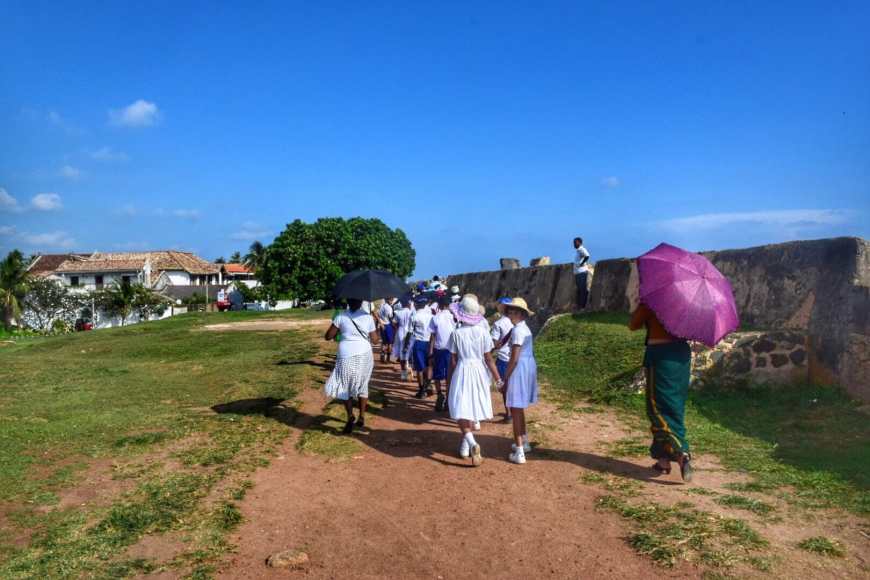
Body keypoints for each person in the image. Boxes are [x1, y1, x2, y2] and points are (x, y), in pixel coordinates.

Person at [629, 301, 694, 482]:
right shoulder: (687, 303)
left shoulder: (654, 300)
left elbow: (633, 324)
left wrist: (641, 304)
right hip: (681, 354)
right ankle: (663, 460)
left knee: (657, 407)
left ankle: (681, 452)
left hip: (661, 354)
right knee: (674, 405)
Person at [447, 295, 502, 466]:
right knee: (470, 407)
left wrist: (449, 381)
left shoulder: (456, 333)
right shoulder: (483, 332)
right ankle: (465, 447)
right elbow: (489, 359)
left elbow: (453, 361)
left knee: (460, 407)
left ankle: (471, 443)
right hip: (479, 371)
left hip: (463, 369)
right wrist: (498, 378)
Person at [324, 298, 380, 434]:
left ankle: (350, 416)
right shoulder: (367, 317)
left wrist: (340, 330)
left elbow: (328, 336)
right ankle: (362, 416)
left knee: (345, 386)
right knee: (363, 384)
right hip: (364, 353)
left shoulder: (341, 316)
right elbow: (375, 340)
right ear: (361, 303)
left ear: (348, 302)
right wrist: (375, 328)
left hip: (346, 353)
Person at [500, 297, 538, 464]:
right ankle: (524, 441)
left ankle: (520, 451)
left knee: (515, 409)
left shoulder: (517, 331)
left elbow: (514, 359)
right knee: (519, 408)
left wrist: (505, 377)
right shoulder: (524, 328)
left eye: (514, 311)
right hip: (527, 366)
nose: (510, 314)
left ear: (522, 314)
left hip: (519, 368)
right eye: (509, 311)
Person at [428, 295, 456, 412]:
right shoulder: (454, 318)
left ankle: (440, 394)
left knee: (437, 375)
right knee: (450, 376)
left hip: (439, 349)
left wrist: (430, 352)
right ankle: (449, 400)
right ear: (449, 305)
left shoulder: (435, 318)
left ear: (439, 305)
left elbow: (432, 336)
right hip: (451, 350)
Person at [490, 297, 514, 421]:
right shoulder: (518, 322)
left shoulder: (498, 324)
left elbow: (495, 344)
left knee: (505, 388)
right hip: (516, 358)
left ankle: (508, 413)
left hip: (503, 359)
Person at [410, 295, 435, 398]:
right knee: (429, 365)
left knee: (419, 368)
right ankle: (427, 385)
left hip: (418, 342)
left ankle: (422, 390)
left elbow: (410, 332)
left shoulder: (414, 316)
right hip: (430, 343)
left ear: (416, 304)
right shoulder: (431, 316)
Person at [392, 298, 414, 380]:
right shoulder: (411, 312)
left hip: (400, 332)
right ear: (408, 304)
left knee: (401, 352)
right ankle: (409, 369)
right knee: (409, 350)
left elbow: (394, 323)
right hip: (409, 332)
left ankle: (404, 374)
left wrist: (397, 328)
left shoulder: (398, 312)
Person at [376, 297, 396, 363]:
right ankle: (388, 358)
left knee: (384, 342)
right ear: (388, 300)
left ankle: (382, 357)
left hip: (382, 325)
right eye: (391, 300)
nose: (392, 301)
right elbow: (390, 317)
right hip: (388, 325)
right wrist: (394, 325)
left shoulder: (381, 306)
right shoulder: (389, 307)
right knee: (390, 343)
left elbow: (378, 315)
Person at [573, 237, 591, 309]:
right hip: (578, 272)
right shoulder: (578, 251)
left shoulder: (581, 249)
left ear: (579, 243)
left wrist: (582, 263)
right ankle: (581, 305)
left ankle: (583, 306)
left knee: (582, 289)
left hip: (582, 272)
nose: (574, 244)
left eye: (575, 242)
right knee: (580, 290)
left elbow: (587, 256)